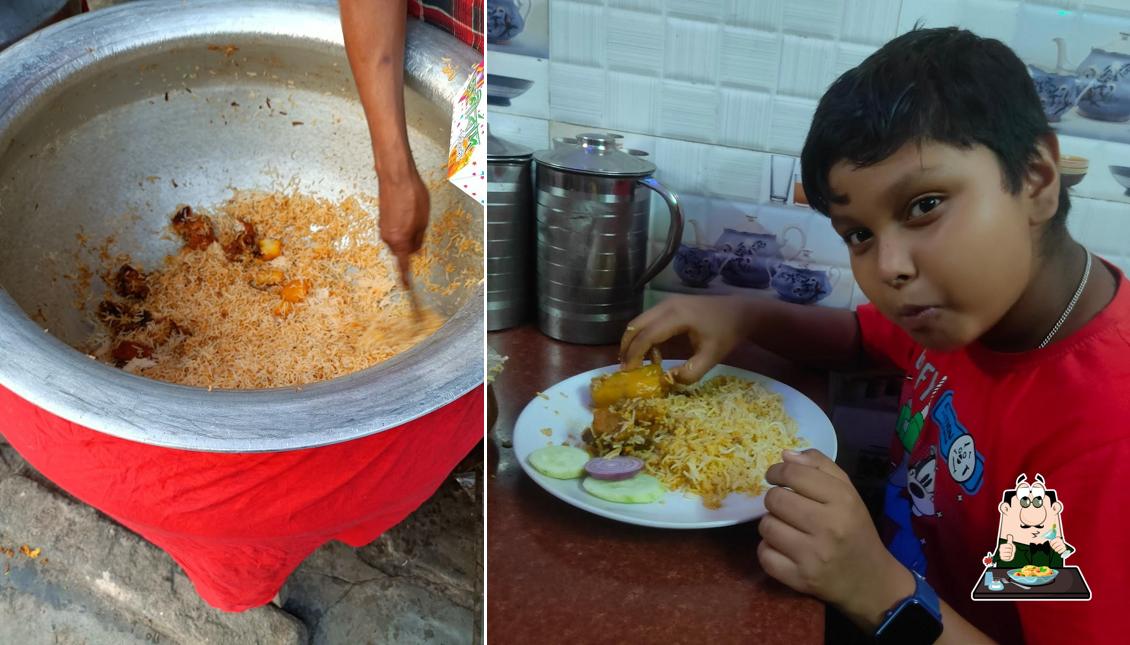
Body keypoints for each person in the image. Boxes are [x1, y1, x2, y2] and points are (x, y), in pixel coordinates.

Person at [621, 28, 1127, 645]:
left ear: (1037, 179)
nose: (888, 267)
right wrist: (741, 316)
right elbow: (860, 339)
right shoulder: (970, 307)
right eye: (858, 234)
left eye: (925, 205)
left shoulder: (1105, 433)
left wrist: (875, 589)